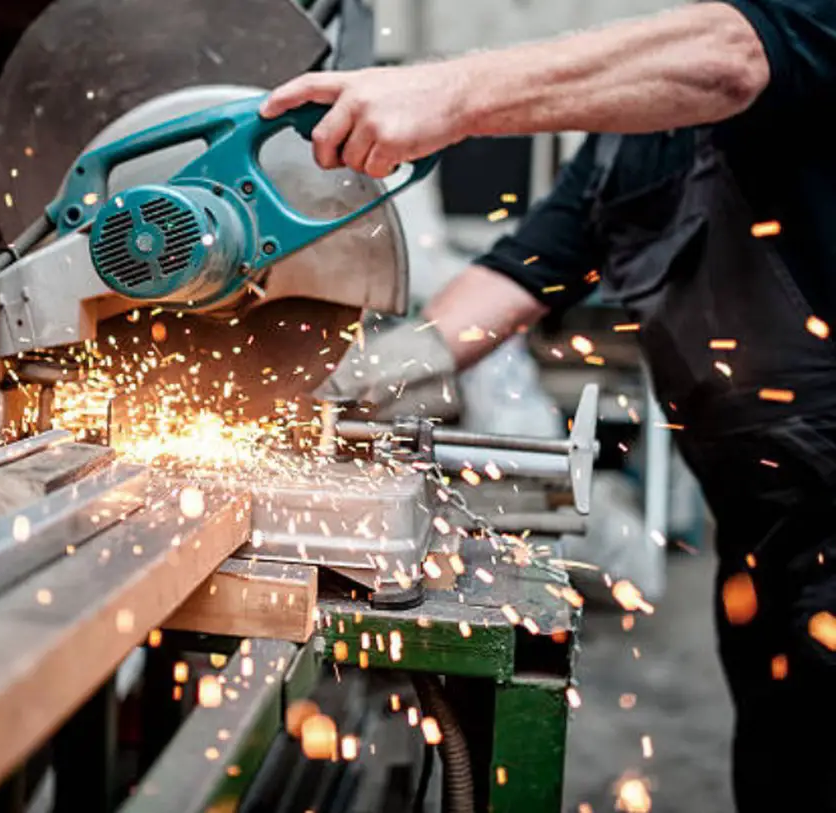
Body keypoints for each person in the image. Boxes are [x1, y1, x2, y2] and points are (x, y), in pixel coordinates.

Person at [262, 1, 836, 810]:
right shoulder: (623, 147)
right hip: (764, 535)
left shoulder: (783, 30)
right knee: (785, 772)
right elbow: (519, 274)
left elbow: (736, 57)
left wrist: (451, 94)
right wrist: (346, 379)